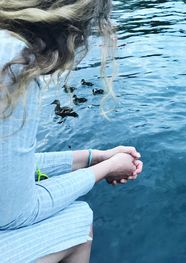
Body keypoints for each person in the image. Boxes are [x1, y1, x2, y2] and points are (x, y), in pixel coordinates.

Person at [0, 0, 143, 262]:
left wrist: (94, 157)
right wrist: (106, 169)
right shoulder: (14, 64)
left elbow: (9, 169)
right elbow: (15, 213)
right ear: (72, 28)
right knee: (78, 219)